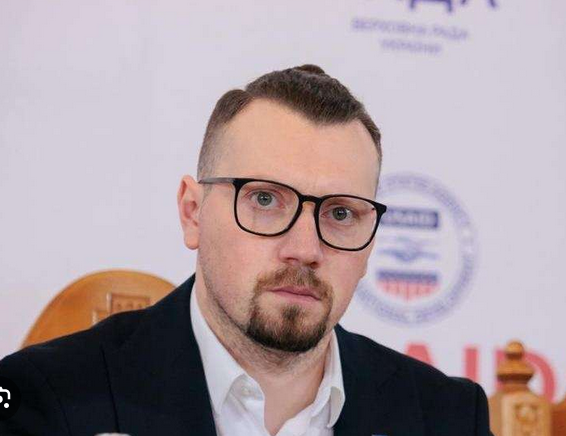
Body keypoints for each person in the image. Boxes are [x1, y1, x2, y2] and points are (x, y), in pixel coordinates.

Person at [0, 65, 493, 436]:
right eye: (264, 200)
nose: (305, 249)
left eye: (341, 213)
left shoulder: (448, 417)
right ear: (193, 213)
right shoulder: (46, 396)